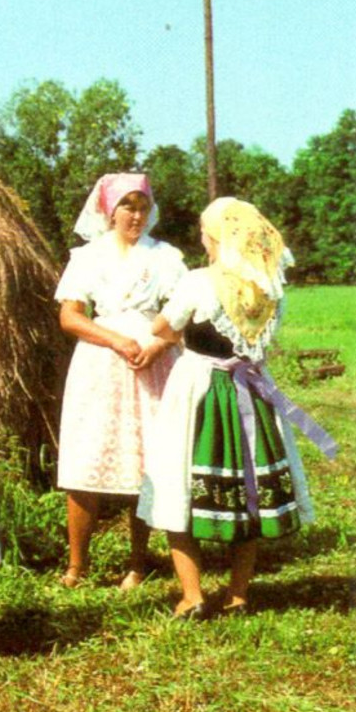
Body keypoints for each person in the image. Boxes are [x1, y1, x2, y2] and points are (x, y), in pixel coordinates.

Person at [135, 197, 338, 618]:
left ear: (219, 237)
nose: (203, 241)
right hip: (252, 390)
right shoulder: (269, 287)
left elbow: (162, 327)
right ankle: (238, 592)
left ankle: (193, 596)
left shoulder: (198, 281)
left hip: (201, 390)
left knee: (178, 486)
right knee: (248, 491)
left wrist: (170, 330)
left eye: (206, 234)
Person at [54, 173, 186, 589]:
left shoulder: (166, 256)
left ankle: (137, 562)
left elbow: (185, 314)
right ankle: (77, 565)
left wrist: (156, 345)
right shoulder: (88, 257)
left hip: (150, 361)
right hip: (100, 362)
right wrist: (114, 339)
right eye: (127, 206)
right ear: (109, 211)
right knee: (86, 457)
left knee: (146, 460)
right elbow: (70, 316)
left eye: (142, 207)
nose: (136, 215)